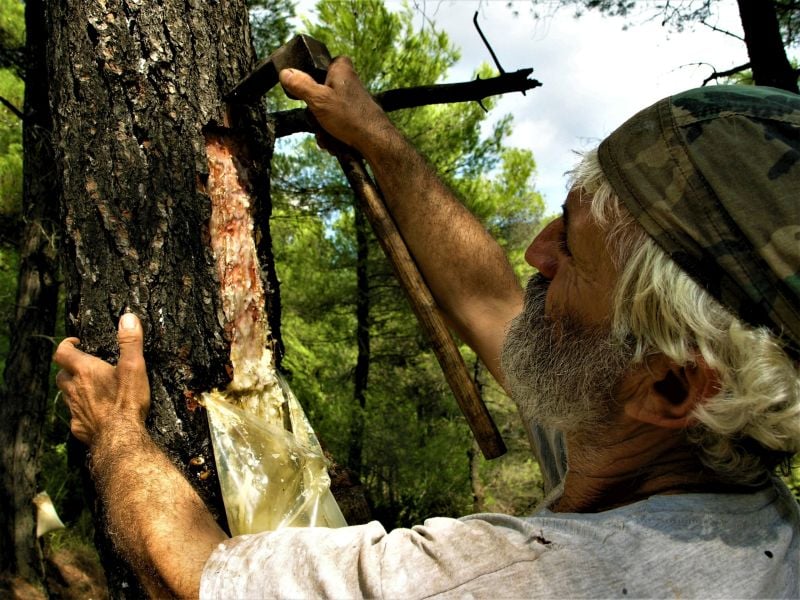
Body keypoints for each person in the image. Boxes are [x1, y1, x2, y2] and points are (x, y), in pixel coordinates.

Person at [54, 57, 800, 599]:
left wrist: (117, 429)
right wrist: (380, 140)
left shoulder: (507, 581)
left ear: (668, 384)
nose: (536, 250)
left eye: (571, 251)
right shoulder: (695, 472)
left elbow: (188, 572)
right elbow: (489, 299)